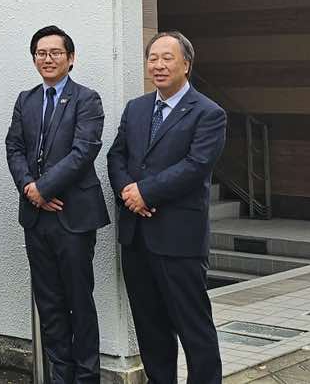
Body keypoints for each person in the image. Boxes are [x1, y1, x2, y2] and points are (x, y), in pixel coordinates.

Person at [107, 31, 227, 384]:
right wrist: (128, 192)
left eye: (167, 58)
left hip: (179, 240)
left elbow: (195, 166)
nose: (158, 65)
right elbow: (116, 155)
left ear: (186, 65)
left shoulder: (208, 113)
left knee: (194, 327)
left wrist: (145, 193)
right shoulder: (136, 108)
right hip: (137, 237)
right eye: (152, 58)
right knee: (150, 327)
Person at [4, 26, 108, 384]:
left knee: (79, 302)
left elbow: (84, 151)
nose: (47, 59)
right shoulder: (26, 100)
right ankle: (60, 377)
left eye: (55, 52)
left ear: (71, 58)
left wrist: (43, 189)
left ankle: (86, 378)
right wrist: (29, 188)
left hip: (73, 216)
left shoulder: (87, 100)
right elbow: (14, 148)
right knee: (49, 306)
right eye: (41, 53)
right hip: (36, 218)